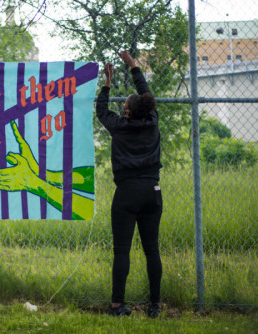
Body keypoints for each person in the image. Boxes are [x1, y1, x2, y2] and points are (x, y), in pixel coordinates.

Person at [96, 50, 163, 318]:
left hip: (126, 194)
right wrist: (134, 66)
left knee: (122, 251)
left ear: (126, 110)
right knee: (152, 250)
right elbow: (146, 95)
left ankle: (117, 305)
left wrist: (107, 83)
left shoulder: (119, 125)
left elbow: (101, 109)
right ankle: (155, 305)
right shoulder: (153, 122)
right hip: (152, 192)